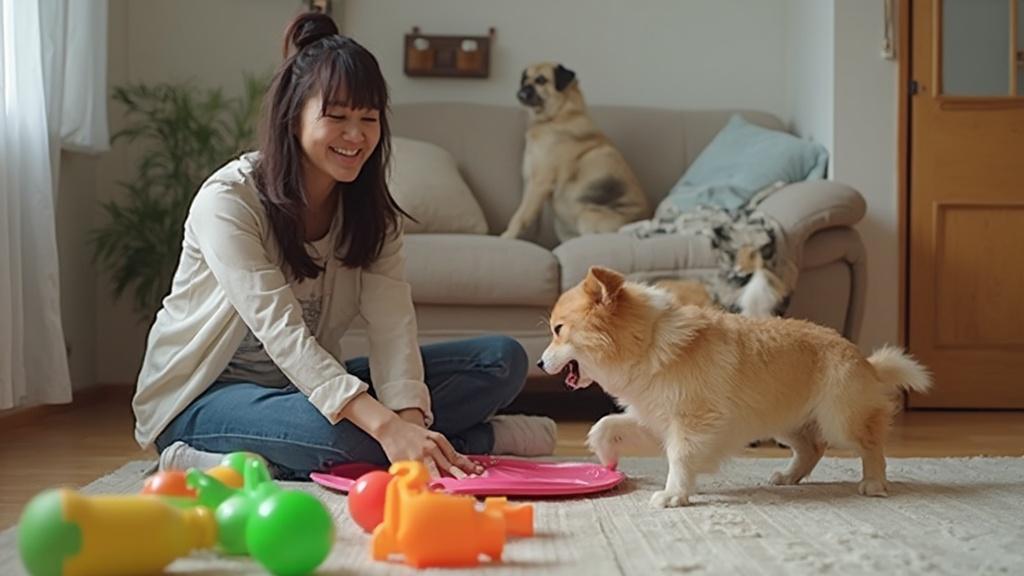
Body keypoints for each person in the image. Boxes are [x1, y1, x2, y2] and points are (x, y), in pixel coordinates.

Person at [131, 11, 555, 480]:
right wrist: (385, 428)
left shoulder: (371, 215)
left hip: (305, 391)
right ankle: (483, 439)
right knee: (350, 436)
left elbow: (393, 328)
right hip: (205, 397)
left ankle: (409, 444)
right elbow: (283, 335)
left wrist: (407, 425)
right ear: (294, 118)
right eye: (337, 117)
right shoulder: (228, 202)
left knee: (501, 360)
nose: (356, 136)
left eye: (368, 118)